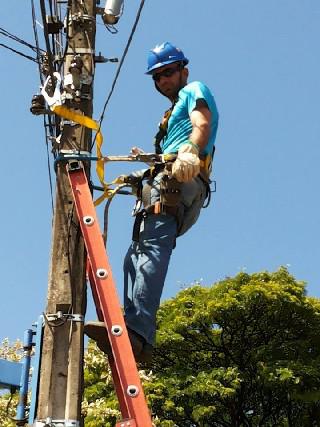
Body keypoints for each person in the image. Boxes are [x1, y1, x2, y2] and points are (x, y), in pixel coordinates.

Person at [85, 41, 219, 362]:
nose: (163, 81)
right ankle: (138, 335)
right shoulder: (168, 116)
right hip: (165, 179)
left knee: (151, 253)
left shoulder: (194, 90)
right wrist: (143, 172)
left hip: (181, 178)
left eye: (168, 73)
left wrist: (190, 150)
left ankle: (137, 330)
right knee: (133, 258)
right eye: (157, 77)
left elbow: (202, 123)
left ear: (183, 71)